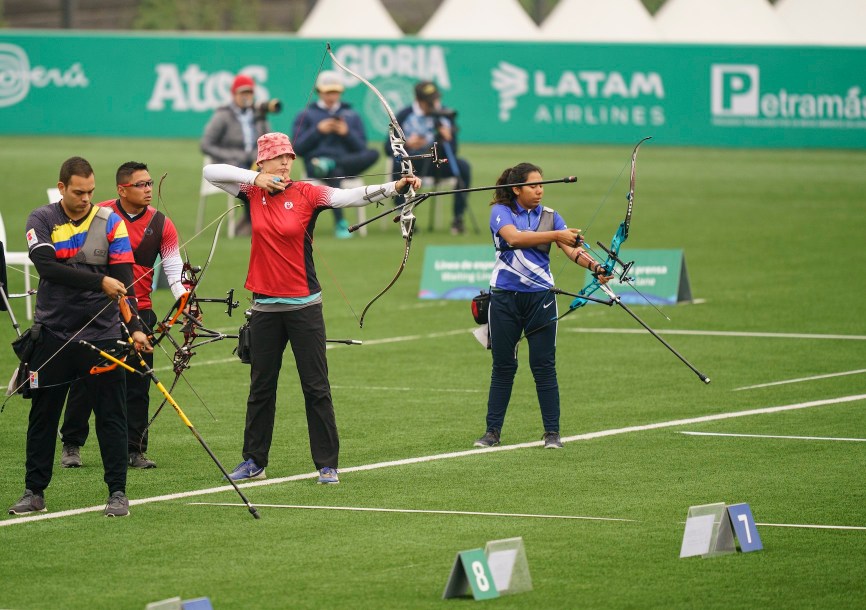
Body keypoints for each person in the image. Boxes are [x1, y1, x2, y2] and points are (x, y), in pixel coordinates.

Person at [203, 132, 420, 484]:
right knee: (261, 387)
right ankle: (254, 460)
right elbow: (211, 171)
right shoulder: (251, 192)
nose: (286, 163)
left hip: (304, 306)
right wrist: (254, 178)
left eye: (289, 157)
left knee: (316, 387)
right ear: (262, 162)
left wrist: (394, 187)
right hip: (264, 307)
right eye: (277, 158)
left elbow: (350, 196)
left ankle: (327, 464)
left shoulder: (308, 192)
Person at [8, 156, 151, 518]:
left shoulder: (112, 223)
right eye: (77, 192)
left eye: (90, 192)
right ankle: (34, 492)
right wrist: (97, 280)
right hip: (53, 335)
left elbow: (124, 283)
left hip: (102, 337)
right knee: (43, 416)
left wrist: (134, 326)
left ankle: (117, 493)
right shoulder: (42, 219)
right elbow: (47, 268)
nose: (86, 198)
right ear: (61, 188)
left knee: (111, 417)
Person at [59, 161, 189, 470]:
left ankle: (134, 449)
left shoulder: (162, 224)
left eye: (149, 183)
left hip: (140, 313)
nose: (147, 190)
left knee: (139, 383)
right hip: (100, 311)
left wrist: (185, 299)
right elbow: (82, 263)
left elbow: (173, 271)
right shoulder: (100, 215)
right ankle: (72, 444)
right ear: (122, 189)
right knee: (86, 379)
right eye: (141, 185)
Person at [473, 162, 612, 450]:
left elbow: (572, 249)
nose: (539, 190)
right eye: (533, 185)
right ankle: (492, 432)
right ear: (516, 189)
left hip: (541, 298)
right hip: (504, 299)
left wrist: (595, 266)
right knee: (503, 366)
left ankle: (552, 434)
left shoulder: (550, 216)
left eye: (541, 185)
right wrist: (557, 235)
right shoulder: (501, 212)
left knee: (544, 366)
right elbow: (514, 238)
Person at [292, 70, 380, 239]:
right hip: (316, 164)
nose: (332, 96)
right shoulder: (306, 115)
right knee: (334, 172)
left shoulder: (352, 115)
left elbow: (362, 148)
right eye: (328, 92)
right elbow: (298, 149)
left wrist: (346, 133)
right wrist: (318, 131)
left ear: (340, 92)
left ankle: (332, 165)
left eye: (335, 92)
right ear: (319, 92)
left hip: (346, 164)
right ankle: (340, 221)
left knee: (373, 153)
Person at [388, 80, 472, 235]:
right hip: (415, 163)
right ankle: (404, 215)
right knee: (398, 164)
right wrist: (407, 145)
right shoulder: (404, 115)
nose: (434, 104)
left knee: (464, 166)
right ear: (419, 101)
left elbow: (453, 150)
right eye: (429, 101)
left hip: (439, 162)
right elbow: (388, 148)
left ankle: (458, 218)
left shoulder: (444, 115)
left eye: (435, 99)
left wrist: (446, 138)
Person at [201, 73, 272, 236]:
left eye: (249, 92)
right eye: (243, 93)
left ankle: (264, 220)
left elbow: (269, 139)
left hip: (255, 162)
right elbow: (206, 144)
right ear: (234, 94)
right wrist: (230, 156)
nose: (247, 97)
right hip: (233, 163)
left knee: (272, 177)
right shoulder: (223, 115)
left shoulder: (258, 115)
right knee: (251, 180)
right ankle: (255, 221)